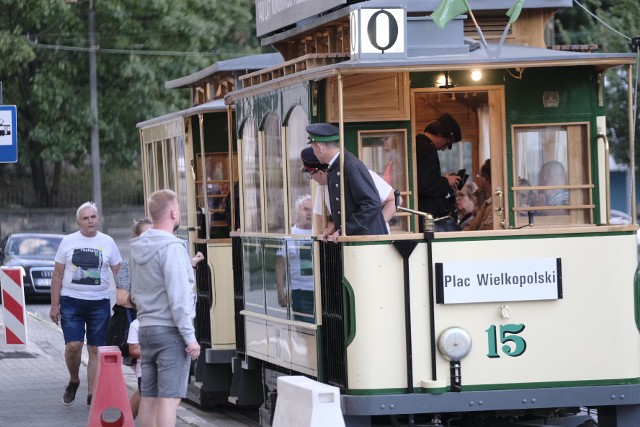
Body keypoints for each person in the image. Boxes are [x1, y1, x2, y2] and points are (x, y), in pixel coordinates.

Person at [115, 217, 203, 419]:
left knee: (149, 394)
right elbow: (124, 297)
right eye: (146, 234)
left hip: (146, 327)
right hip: (155, 329)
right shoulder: (146, 257)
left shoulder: (147, 255)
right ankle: (124, 420)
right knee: (165, 397)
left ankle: (124, 420)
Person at [49, 201, 122, 406]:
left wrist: (126, 299)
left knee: (95, 349)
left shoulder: (108, 242)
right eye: (86, 218)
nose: (90, 221)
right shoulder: (68, 241)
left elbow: (119, 272)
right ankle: (74, 379)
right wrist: (55, 305)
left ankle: (92, 395)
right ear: (78, 222)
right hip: (71, 301)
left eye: (93, 217)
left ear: (98, 219)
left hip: (99, 303)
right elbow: (57, 275)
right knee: (73, 346)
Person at [301, 141, 390, 241]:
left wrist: (373, 223)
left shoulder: (361, 173)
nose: (312, 178)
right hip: (348, 241)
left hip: (373, 239)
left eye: (310, 174)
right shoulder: (322, 186)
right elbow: (320, 220)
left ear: (320, 173)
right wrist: (337, 229)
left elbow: (395, 199)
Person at [416, 113, 462, 221]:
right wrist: (446, 181)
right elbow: (424, 185)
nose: (444, 149)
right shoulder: (426, 148)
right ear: (441, 134)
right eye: (447, 143)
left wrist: (444, 179)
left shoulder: (420, 143)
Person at [276, 195, 315, 323]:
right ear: (297, 211)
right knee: (304, 331)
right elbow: (280, 265)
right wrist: (281, 292)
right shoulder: (290, 234)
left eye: (312, 210)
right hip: (300, 291)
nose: (309, 213)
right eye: (305, 209)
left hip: (321, 290)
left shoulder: (320, 231)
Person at [464, 159, 493, 231]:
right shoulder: (487, 203)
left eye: (479, 175)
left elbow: (482, 232)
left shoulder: (492, 206)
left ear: (484, 179)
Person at [127, 318, 142, 419]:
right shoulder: (137, 324)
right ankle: (126, 421)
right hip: (147, 368)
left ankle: (125, 421)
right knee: (149, 399)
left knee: (144, 393)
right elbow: (134, 351)